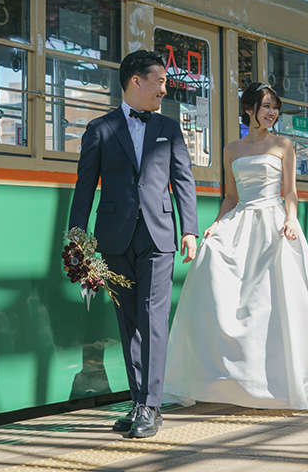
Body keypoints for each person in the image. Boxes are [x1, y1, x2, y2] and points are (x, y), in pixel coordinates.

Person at [163, 82, 308, 411]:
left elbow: (290, 192)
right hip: (242, 220)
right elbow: (231, 196)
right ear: (248, 109)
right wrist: (215, 224)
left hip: (274, 221)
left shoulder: (284, 144)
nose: (272, 112)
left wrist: (291, 219)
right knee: (212, 264)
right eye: (265, 106)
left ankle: (279, 379)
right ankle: (217, 374)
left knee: (272, 302)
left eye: (275, 107)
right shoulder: (232, 150)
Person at [69, 49, 199, 438]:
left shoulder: (170, 128)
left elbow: (184, 181)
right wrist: (78, 240)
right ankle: (140, 401)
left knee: (153, 318)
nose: (165, 88)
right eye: (159, 81)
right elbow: (84, 187)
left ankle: (151, 406)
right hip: (114, 237)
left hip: (159, 237)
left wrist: (188, 229)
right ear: (136, 82)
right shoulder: (100, 128)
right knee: (129, 323)